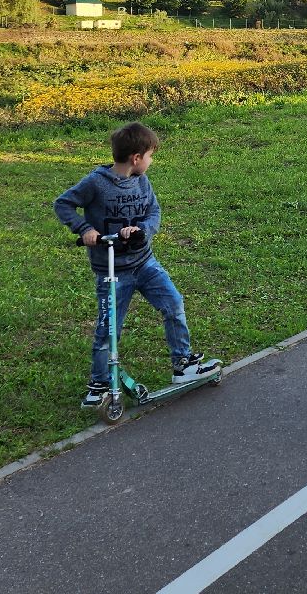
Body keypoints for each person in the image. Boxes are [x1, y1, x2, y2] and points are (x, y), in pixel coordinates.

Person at [54, 121, 221, 410]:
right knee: (108, 329)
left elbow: (154, 210)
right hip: (112, 271)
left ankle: (183, 364)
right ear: (136, 158)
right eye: (150, 156)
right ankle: (100, 383)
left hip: (145, 263)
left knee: (173, 304)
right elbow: (63, 204)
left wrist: (142, 229)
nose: (151, 161)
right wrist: (83, 229)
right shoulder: (96, 183)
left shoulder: (142, 182)